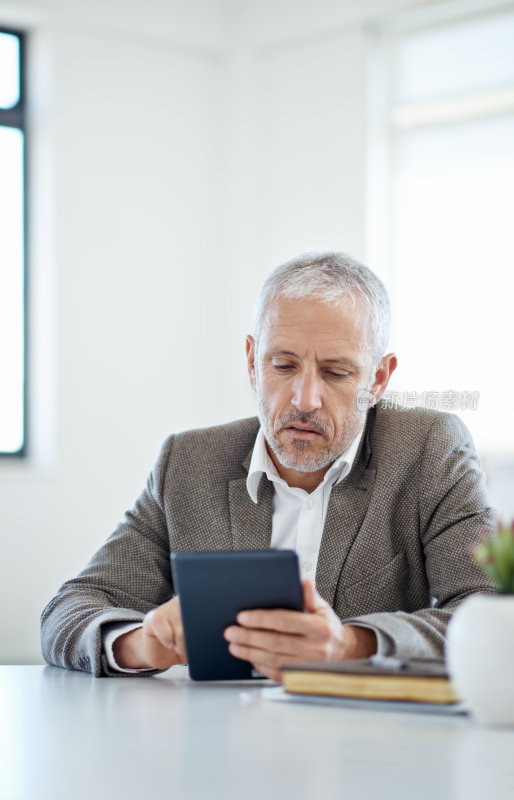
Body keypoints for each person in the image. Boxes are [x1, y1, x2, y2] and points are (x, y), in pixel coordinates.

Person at [41, 251, 494, 679]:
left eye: (336, 373)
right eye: (282, 365)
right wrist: (141, 645)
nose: (304, 399)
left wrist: (352, 645)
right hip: (218, 743)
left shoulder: (428, 449)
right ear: (253, 364)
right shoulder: (188, 463)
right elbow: (71, 609)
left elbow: (491, 612)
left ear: (377, 379)